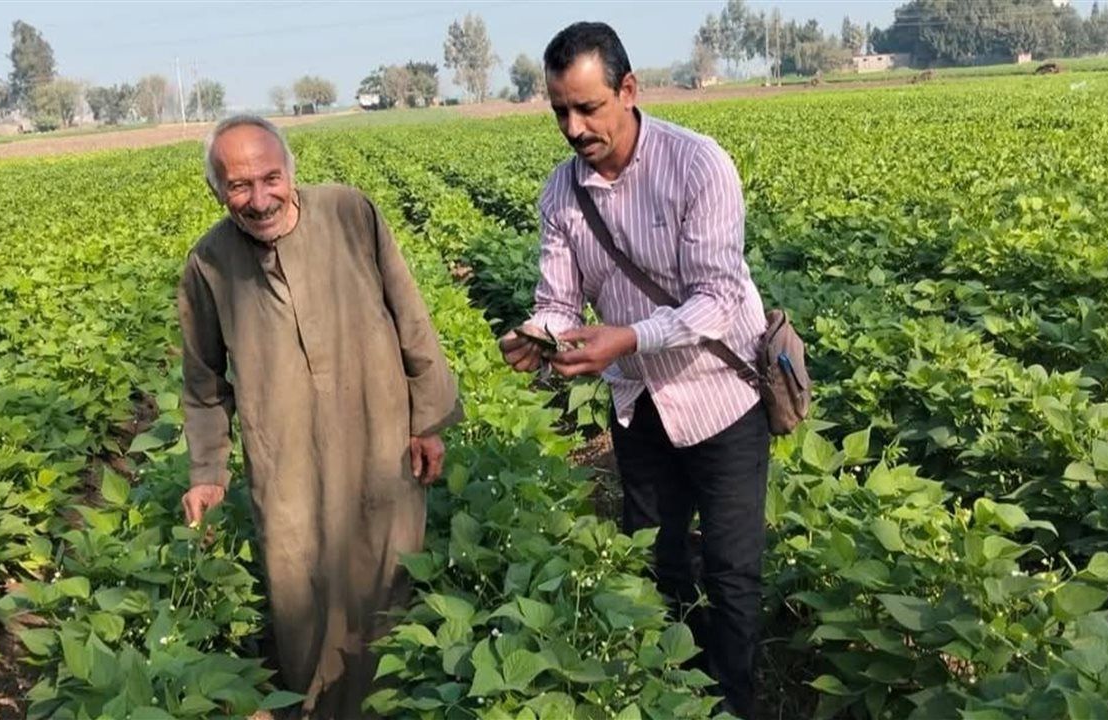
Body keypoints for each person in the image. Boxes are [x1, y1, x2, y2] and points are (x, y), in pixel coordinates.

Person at [498, 22, 770, 719]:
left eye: (588, 107)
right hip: (639, 405)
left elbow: (718, 299)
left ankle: (733, 704)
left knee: (732, 571)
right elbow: (559, 302)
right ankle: (674, 695)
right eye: (560, 110)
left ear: (628, 89)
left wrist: (627, 339)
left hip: (721, 397)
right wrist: (537, 334)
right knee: (656, 561)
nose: (574, 128)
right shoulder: (561, 194)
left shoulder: (697, 165)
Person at [177, 115, 462, 719]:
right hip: (286, 457)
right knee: (297, 587)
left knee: (387, 577)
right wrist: (208, 473)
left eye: (270, 178)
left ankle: (389, 706)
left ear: (291, 171)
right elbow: (203, 384)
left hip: (381, 437)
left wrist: (427, 421)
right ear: (216, 191)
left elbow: (411, 317)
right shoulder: (209, 264)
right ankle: (314, 709)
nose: (260, 199)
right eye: (239, 186)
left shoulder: (350, 214)